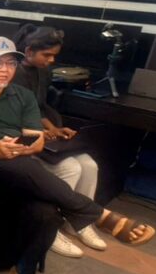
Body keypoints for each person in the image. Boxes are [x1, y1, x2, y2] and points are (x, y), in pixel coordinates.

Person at [0, 36, 156, 274]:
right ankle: (96, 214)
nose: (5, 69)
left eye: (11, 63)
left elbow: (36, 141)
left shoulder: (23, 96)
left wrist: (14, 148)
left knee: (46, 210)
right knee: (23, 166)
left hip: (18, 166)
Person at [12, 24, 106, 258]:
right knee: (71, 167)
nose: (51, 60)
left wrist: (55, 128)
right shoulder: (12, 74)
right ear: (29, 51)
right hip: (23, 135)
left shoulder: (42, 72)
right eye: (47, 55)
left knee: (90, 165)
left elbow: (40, 107)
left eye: (54, 55)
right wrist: (44, 131)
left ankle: (79, 223)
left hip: (40, 129)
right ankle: (50, 229)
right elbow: (20, 114)